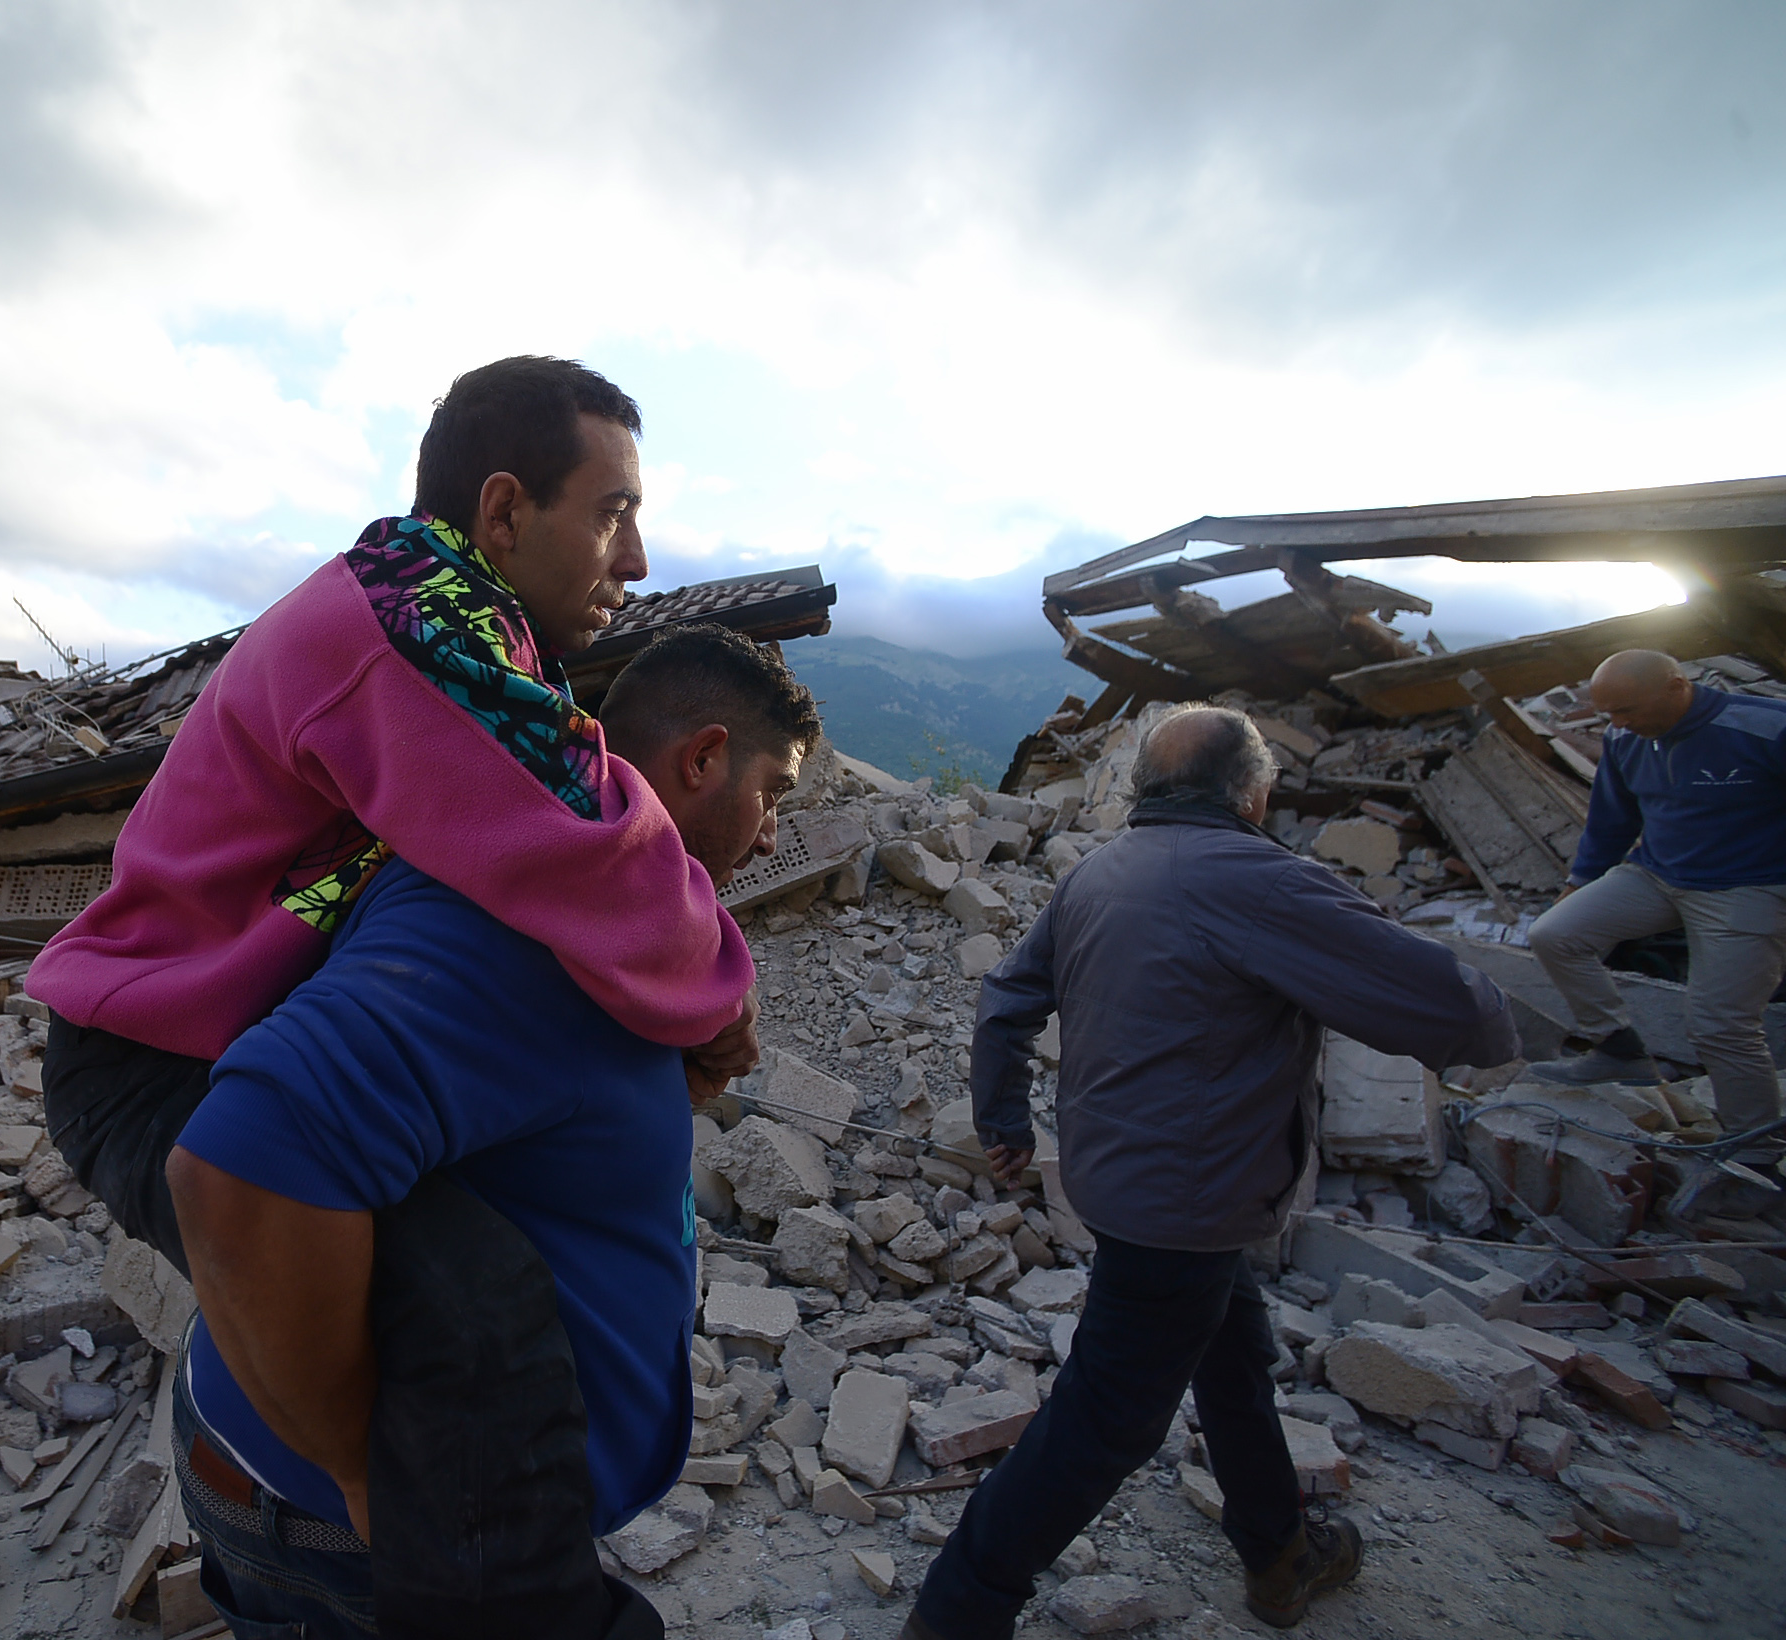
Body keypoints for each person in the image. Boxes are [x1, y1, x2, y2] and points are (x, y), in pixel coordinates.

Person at [29, 355, 760, 1276]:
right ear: (503, 513)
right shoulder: (416, 624)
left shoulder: (451, 611)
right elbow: (588, 841)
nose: (637, 560)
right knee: (470, 1339)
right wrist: (718, 1003)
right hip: (152, 1066)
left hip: (234, 1042)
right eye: (613, 513)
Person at [165, 624, 823, 1639]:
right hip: (357, 1532)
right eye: (771, 792)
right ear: (702, 757)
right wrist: (357, 1465)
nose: (772, 833)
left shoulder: (601, 916)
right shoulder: (517, 932)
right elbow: (238, 1164)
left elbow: (500, 1106)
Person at [900, 706, 1520, 1639]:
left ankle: (1277, 1552)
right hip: (1187, 1201)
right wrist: (1523, 1040)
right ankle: (954, 1614)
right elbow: (1444, 999)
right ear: (1256, 793)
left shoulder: (1099, 872)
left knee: (1234, 1357)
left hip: (1124, 1183)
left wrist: (1005, 1121)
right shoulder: (1264, 882)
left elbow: (1005, 1002)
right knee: (1106, 1421)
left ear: (1143, 791)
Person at [1523, 649, 1786, 1135]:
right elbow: (1610, 822)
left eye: (1628, 710)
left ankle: (1755, 1153)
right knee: (1554, 934)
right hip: (1657, 875)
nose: (1618, 723)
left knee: (1721, 1026)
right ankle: (1619, 1051)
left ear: (1676, 687)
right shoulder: (1627, 738)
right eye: (1610, 714)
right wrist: (1577, 883)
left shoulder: (1766, 728)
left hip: (1748, 886)